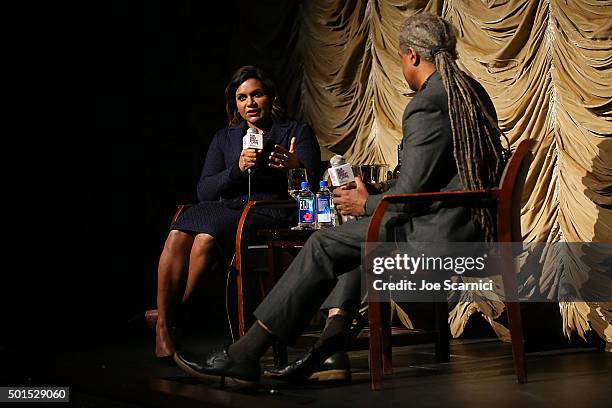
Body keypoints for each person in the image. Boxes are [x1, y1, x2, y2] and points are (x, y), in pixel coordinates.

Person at [173, 12, 507, 385]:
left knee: (322, 244)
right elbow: (434, 180)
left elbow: (409, 195)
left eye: (400, 59)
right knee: (351, 248)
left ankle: (245, 353)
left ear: (412, 56)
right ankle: (331, 354)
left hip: (442, 238)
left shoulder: (427, 103)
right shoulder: (468, 90)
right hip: (465, 226)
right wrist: (375, 195)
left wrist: (362, 203)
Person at [148, 65, 321, 360]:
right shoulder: (225, 138)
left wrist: (295, 168)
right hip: (225, 209)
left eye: (257, 95)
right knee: (180, 231)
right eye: (242, 98)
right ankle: (165, 325)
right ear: (235, 105)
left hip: (269, 211)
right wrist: (236, 169)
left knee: (205, 238)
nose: (250, 103)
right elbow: (204, 190)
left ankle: (171, 314)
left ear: (270, 97)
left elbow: (316, 185)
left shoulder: (295, 131)